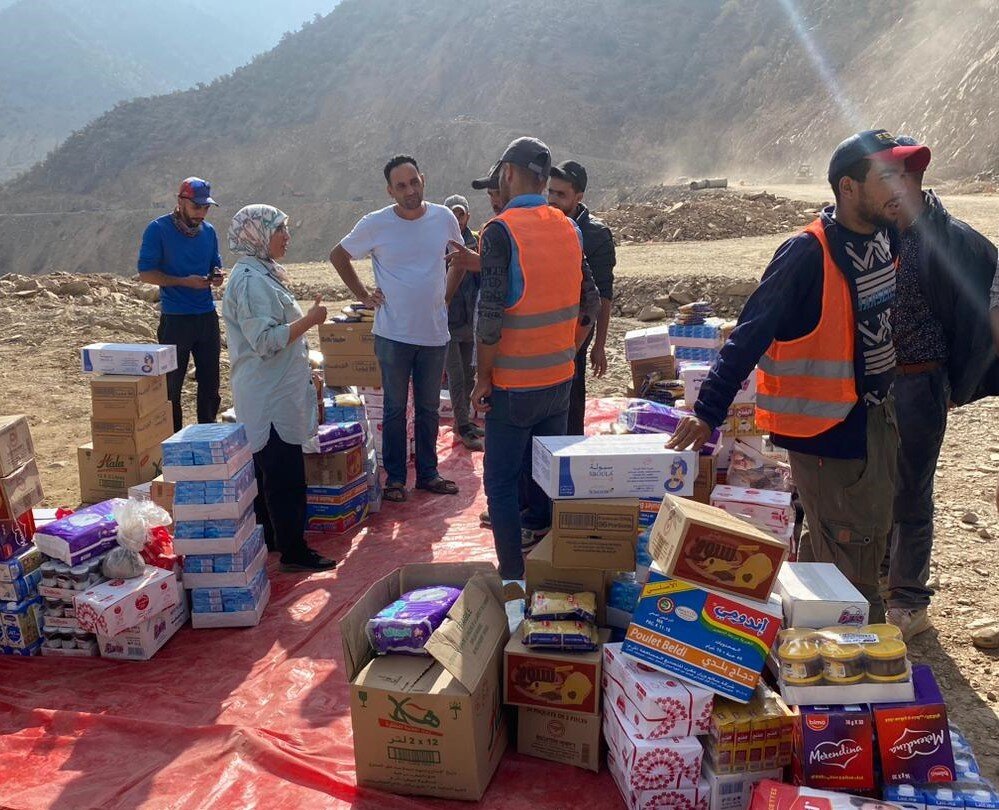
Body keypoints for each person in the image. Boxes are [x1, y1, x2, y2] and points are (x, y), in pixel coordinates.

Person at [668, 130, 929, 621]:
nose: (901, 187)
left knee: (854, 535)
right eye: (888, 176)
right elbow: (749, 333)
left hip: (874, 417)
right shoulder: (806, 254)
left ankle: (819, 637)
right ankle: (850, 649)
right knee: (851, 550)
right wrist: (707, 411)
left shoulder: (884, 235)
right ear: (848, 187)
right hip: (828, 430)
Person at [468, 137, 601, 580]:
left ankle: (512, 579)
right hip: (559, 384)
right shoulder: (569, 227)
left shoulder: (501, 231)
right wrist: (569, 351)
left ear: (507, 174)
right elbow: (591, 301)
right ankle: (557, 572)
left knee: (502, 484)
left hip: (512, 388)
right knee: (548, 478)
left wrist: (482, 380)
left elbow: (489, 320)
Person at [884, 136, 999, 640]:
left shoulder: (955, 240)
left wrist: (962, 381)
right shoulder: (872, 235)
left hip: (921, 382)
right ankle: (876, 577)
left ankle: (908, 599)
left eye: (899, 177)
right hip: (872, 383)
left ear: (913, 181)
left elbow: (986, 314)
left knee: (911, 489)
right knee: (872, 483)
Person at [329, 155, 462, 503]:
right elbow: (339, 256)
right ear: (390, 191)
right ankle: (396, 480)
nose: (410, 191)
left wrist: (445, 297)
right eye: (401, 186)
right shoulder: (375, 224)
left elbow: (460, 258)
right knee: (394, 407)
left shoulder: (443, 218)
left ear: (423, 179)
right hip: (393, 335)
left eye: (414, 182)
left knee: (429, 408)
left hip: (434, 334)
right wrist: (362, 295)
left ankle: (429, 474)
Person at [221, 205, 336, 572]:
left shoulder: (261, 273)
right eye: (280, 230)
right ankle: (293, 550)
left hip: (275, 390)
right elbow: (266, 340)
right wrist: (311, 320)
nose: (287, 237)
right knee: (284, 474)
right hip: (268, 396)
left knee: (274, 470)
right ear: (258, 235)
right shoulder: (251, 281)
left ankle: (275, 539)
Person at [138, 177, 224, 432]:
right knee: (171, 386)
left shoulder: (209, 232)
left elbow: (214, 265)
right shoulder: (158, 229)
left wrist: (217, 277)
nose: (201, 213)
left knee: (210, 383)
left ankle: (207, 434)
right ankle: (174, 440)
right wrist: (184, 282)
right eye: (196, 207)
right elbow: (146, 274)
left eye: (205, 208)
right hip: (176, 319)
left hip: (206, 316)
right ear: (181, 202)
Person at [548, 160, 616, 434]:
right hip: (545, 326)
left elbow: (603, 295)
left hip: (577, 329)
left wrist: (599, 345)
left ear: (578, 198)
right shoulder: (541, 225)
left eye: (560, 195)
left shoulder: (596, 235)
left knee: (571, 393)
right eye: (550, 192)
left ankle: (568, 452)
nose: (552, 200)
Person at [442, 194, 484, 451]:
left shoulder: (477, 243)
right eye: (452, 214)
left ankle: (462, 421)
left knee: (469, 375)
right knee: (455, 376)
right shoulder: (436, 244)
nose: (457, 219)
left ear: (467, 216)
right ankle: (464, 427)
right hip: (446, 321)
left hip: (471, 321)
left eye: (461, 214)